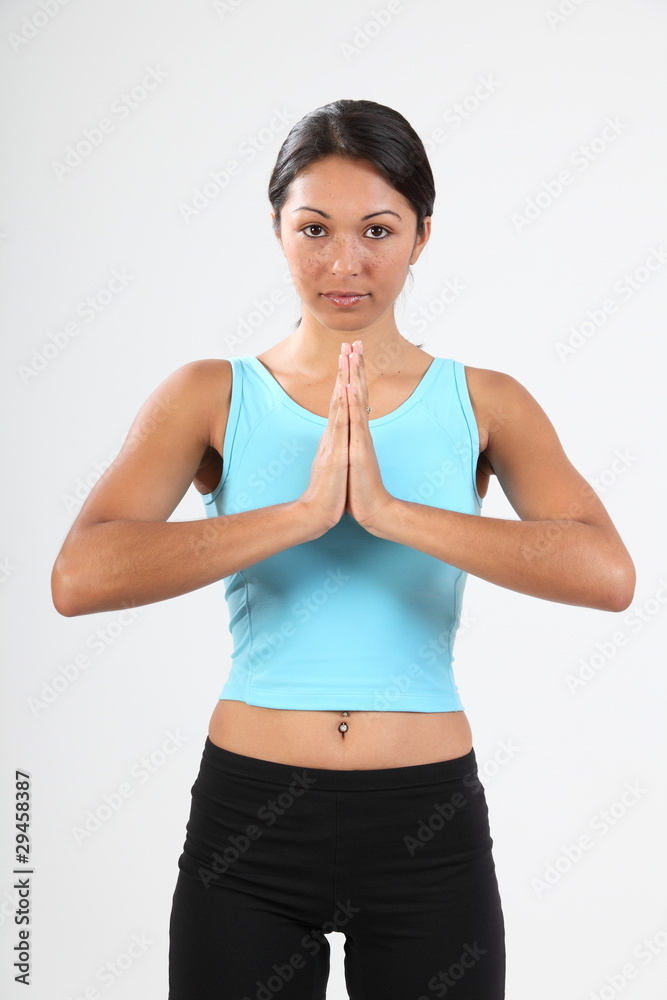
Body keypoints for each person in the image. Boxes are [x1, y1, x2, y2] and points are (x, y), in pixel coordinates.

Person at [51, 99, 636, 1000]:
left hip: (426, 827)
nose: (345, 263)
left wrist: (395, 512)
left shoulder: (486, 401)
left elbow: (607, 574)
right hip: (250, 823)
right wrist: (300, 513)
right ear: (278, 229)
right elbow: (79, 576)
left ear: (421, 236)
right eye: (314, 229)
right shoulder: (212, 393)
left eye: (378, 230)